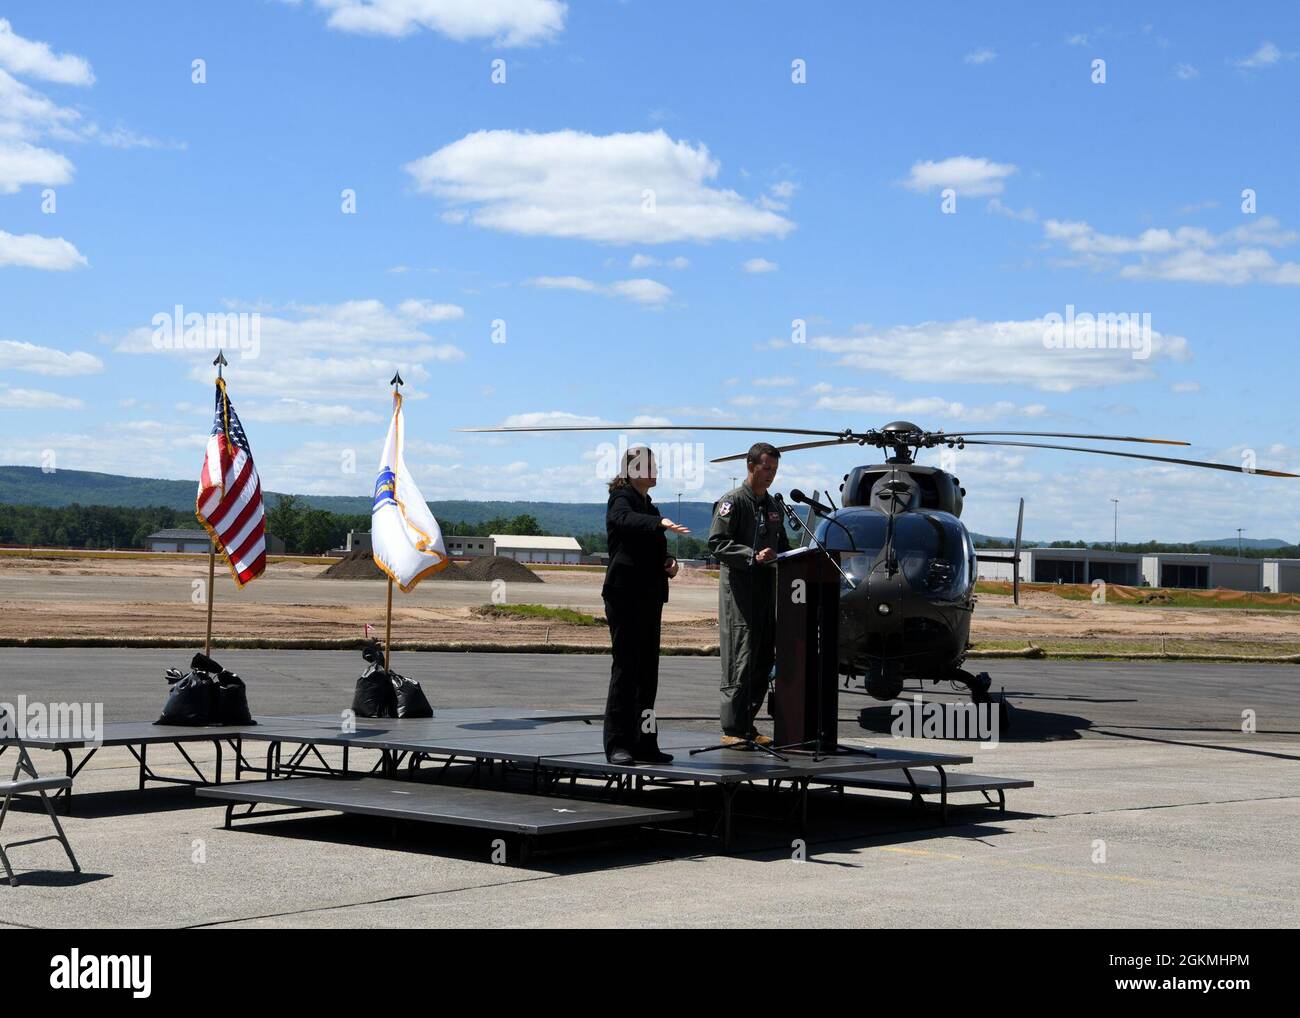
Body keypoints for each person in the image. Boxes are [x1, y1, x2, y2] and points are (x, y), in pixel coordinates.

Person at [601, 446, 690, 764]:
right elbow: (624, 521)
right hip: (624, 593)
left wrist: (669, 561)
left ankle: (645, 741)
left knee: (648, 673)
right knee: (626, 669)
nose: (655, 470)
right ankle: (617, 744)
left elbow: (654, 547)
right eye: (649, 466)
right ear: (632, 470)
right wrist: (660, 524)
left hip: (650, 594)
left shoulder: (651, 507)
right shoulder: (621, 498)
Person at [708, 442, 790, 746]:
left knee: (762, 659)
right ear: (750, 465)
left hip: (766, 593)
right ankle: (732, 728)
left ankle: (747, 723)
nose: (770, 475)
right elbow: (717, 543)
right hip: (740, 596)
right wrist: (751, 555)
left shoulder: (772, 506)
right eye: (766, 468)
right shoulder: (732, 502)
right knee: (740, 661)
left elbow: (782, 546)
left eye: (775, 470)